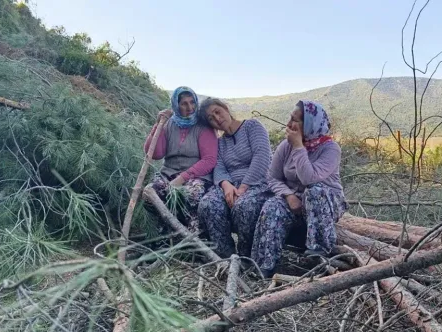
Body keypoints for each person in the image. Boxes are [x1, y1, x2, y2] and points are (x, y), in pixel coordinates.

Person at [251, 100, 346, 278]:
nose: (289, 124)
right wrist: (288, 195)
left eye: (295, 120)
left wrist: (298, 147)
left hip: (326, 202)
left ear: (309, 125)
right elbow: (272, 177)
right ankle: (263, 265)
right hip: (294, 199)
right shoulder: (285, 146)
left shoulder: (331, 149)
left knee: (314, 191)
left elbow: (309, 178)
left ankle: (318, 253)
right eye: (290, 118)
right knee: (272, 206)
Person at [197, 98, 272, 258]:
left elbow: (262, 157)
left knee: (243, 206)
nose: (217, 118)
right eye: (211, 118)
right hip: (232, 185)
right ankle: (224, 256)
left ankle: (247, 257)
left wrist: (243, 187)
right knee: (208, 204)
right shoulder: (219, 143)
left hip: (259, 184)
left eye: (218, 112)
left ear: (226, 108)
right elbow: (218, 167)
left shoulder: (252, 126)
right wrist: (226, 185)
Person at [143, 86, 217, 232]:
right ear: (176, 105)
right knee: (150, 194)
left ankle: (192, 238)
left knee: (191, 195)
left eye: (192, 102)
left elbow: (209, 160)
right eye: (184, 103)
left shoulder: (203, 127)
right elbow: (155, 153)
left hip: (197, 177)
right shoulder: (169, 123)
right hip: (168, 174)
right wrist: (158, 125)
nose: (189, 107)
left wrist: (182, 178)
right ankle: (162, 235)